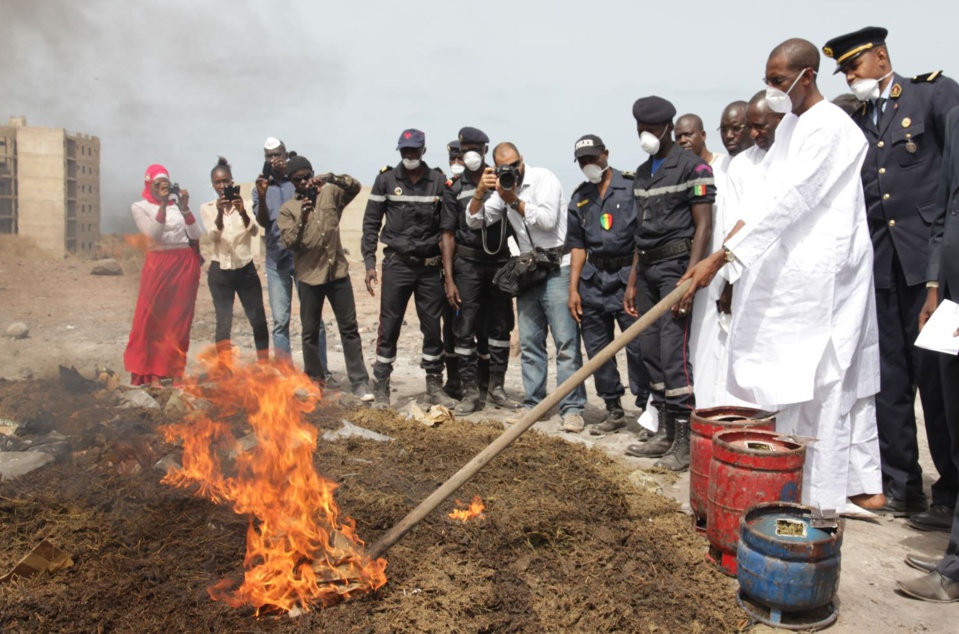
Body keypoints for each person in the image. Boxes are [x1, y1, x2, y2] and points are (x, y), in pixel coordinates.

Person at [679, 38, 885, 513]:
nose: (771, 89)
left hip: (826, 273)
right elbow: (762, 200)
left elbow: (792, 198)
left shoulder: (828, 126)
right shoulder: (790, 127)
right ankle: (793, 479)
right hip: (787, 271)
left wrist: (725, 256)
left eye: (777, 80)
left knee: (826, 380)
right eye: (767, 80)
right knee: (787, 382)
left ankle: (826, 492)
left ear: (806, 76)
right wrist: (720, 256)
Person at [823, 26, 959, 526]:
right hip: (881, 269)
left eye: (854, 66)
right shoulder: (856, 120)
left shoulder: (932, 94)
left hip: (932, 269)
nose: (851, 77)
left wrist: (941, 266)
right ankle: (902, 485)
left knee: (940, 382)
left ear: (881, 57)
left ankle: (950, 491)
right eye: (845, 72)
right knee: (890, 381)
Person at [467, 142, 587, 431]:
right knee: (531, 343)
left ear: (523, 160)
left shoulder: (544, 179)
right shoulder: (502, 189)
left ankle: (572, 408)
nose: (513, 171)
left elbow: (547, 221)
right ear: (496, 169)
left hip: (558, 267)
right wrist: (481, 192)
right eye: (504, 168)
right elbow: (473, 221)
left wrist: (511, 200)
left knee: (566, 344)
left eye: (515, 165)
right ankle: (535, 405)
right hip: (528, 270)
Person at [623, 96, 714, 471]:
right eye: (640, 129)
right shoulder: (643, 173)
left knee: (673, 354)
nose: (645, 135)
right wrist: (631, 281)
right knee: (649, 352)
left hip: (676, 267)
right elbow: (639, 233)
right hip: (645, 270)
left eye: (650, 128)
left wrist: (690, 277)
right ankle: (662, 431)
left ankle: (683, 441)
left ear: (666, 127)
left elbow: (704, 226)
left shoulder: (693, 167)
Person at [896, 104, 959, 603]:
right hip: (952, 295)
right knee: (949, 417)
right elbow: (945, 208)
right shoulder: (957, 119)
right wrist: (937, 286)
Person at [362, 129, 456, 409]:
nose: (409, 156)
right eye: (405, 152)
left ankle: (434, 386)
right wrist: (369, 262)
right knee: (388, 327)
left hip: (429, 269)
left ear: (424, 150)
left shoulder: (439, 181)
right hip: (397, 266)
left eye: (414, 151)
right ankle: (381, 388)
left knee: (432, 329)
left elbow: (447, 231)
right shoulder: (386, 180)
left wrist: (448, 275)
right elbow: (370, 224)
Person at [566, 135, 650, 433]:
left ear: (606, 154)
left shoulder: (631, 186)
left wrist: (635, 281)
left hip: (628, 276)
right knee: (598, 348)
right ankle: (613, 408)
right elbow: (577, 246)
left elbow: (642, 237)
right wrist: (573, 289)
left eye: (593, 158)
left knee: (639, 347)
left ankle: (646, 409)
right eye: (583, 161)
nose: (589, 165)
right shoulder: (580, 197)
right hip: (593, 281)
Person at [277, 156, 373, 399]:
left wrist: (331, 177)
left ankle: (359, 382)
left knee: (349, 328)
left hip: (337, 272)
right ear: (291, 182)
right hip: (310, 277)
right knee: (310, 332)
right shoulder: (288, 209)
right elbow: (289, 243)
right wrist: (303, 219)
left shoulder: (330, 194)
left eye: (307, 175)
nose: (303, 182)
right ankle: (314, 381)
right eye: (297, 179)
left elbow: (355, 186)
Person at [441, 128, 520, 414]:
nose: (471, 152)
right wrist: (449, 279)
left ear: (486, 150)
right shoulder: (453, 187)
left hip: (499, 262)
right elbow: (447, 235)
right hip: (467, 266)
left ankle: (496, 388)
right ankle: (470, 392)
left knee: (500, 327)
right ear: (460, 152)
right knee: (465, 329)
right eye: (466, 148)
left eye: (477, 147)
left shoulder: (503, 178)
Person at [253, 137, 329, 374]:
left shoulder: (298, 179)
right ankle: (286, 376)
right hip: (276, 260)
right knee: (280, 322)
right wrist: (263, 195)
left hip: (303, 259)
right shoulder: (260, 186)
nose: (274, 159)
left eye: (277, 154)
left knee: (314, 320)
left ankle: (320, 372)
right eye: (269, 156)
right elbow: (263, 222)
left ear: (285, 154)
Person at [123, 164, 202, 386]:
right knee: (151, 319)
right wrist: (163, 207)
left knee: (178, 321)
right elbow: (153, 236)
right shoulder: (140, 206)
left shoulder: (178, 206)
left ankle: (175, 370)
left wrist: (185, 208)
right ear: (149, 184)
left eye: (165, 184)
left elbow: (196, 234)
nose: (161, 189)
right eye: (157, 185)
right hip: (158, 263)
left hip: (184, 262)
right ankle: (152, 373)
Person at [199, 157, 269, 368]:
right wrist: (221, 212)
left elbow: (255, 230)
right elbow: (213, 236)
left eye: (226, 182)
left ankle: (264, 366)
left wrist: (241, 211)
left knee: (257, 319)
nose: (223, 186)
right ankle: (224, 369)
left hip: (245, 269)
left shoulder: (246, 204)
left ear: (232, 182)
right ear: (212, 184)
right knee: (223, 322)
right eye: (218, 183)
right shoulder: (208, 208)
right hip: (220, 271)